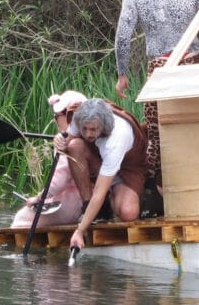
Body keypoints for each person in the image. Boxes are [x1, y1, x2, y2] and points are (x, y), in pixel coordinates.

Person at [60, 98, 148, 251]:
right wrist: (60, 141)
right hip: (99, 156)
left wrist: (79, 231)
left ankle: (112, 195)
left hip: (129, 166)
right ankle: (90, 207)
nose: (88, 134)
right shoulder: (79, 115)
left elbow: (98, 194)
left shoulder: (117, 138)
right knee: (74, 146)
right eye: (84, 128)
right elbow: (68, 137)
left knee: (128, 212)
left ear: (104, 126)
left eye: (93, 129)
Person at [12, 91, 87, 228]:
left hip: (73, 205)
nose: (54, 120)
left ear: (69, 116)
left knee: (21, 219)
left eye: (57, 116)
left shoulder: (68, 144)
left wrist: (38, 198)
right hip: (86, 202)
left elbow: (59, 180)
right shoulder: (91, 135)